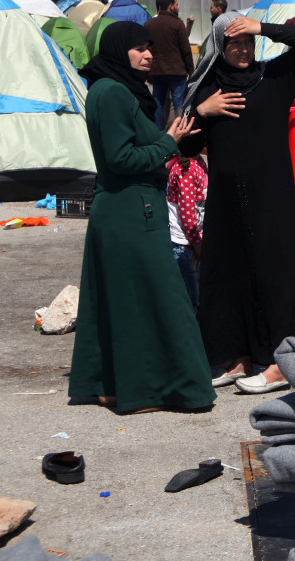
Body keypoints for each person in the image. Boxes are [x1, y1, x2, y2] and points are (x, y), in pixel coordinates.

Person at [67, 21, 215, 414]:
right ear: (119, 51)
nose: (148, 54)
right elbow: (121, 158)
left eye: (149, 47)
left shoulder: (112, 88)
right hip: (130, 211)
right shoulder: (113, 92)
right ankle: (155, 391)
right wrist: (168, 142)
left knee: (121, 302)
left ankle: (111, 386)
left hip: (126, 208)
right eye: (139, 48)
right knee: (158, 303)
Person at [180, 11, 295, 395]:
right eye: (234, 43)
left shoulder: (274, 77)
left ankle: (281, 362)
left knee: (277, 275)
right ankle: (238, 357)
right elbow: (188, 143)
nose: (243, 49)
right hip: (227, 199)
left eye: (247, 42)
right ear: (219, 47)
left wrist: (261, 27)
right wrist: (201, 111)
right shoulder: (209, 86)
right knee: (229, 274)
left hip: (271, 197)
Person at [145, 0, 195, 128]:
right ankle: (180, 132)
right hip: (177, 71)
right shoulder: (177, 24)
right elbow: (186, 50)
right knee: (179, 103)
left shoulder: (149, 24)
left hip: (157, 71)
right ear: (171, 6)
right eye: (177, 5)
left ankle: (157, 133)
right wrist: (192, 72)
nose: (178, 8)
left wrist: (147, 72)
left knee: (158, 103)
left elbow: (146, 50)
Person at [166, 153, 207, 314]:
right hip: (185, 245)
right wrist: (198, 247)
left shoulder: (198, 164)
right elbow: (187, 215)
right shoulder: (186, 169)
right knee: (190, 301)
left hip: (193, 243)